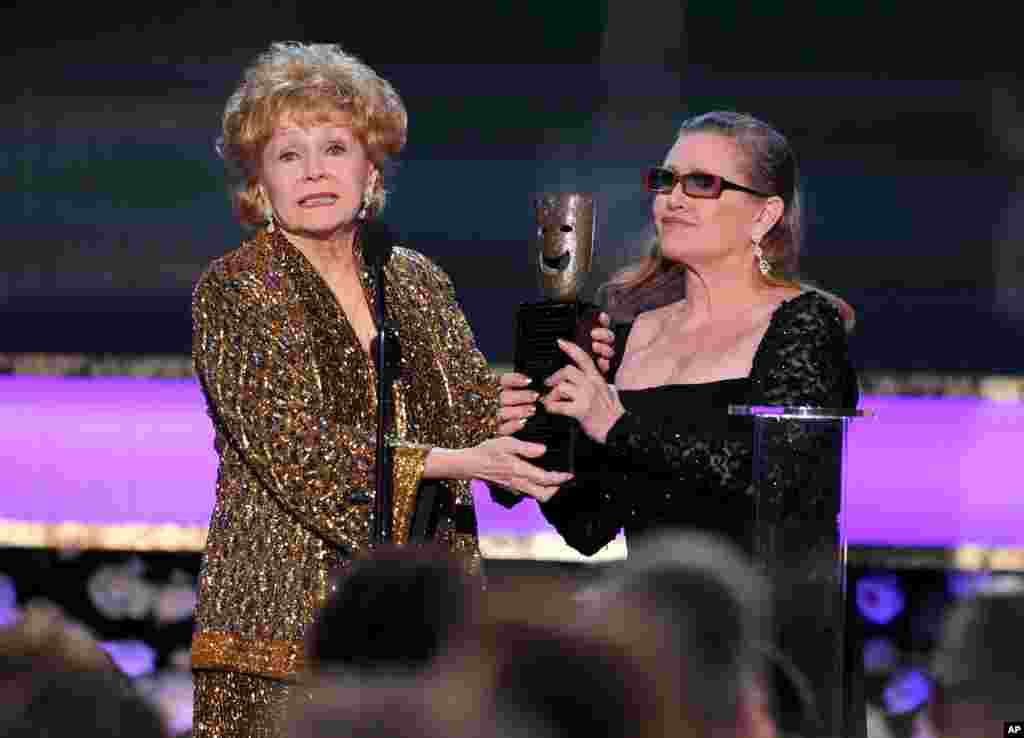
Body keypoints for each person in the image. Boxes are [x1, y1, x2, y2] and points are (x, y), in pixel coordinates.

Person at [190, 41, 614, 737]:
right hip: (282, 629)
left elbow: (478, 415)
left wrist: (567, 365)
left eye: (335, 148)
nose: (315, 171)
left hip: (429, 621)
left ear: (372, 167)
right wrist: (456, 462)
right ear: (259, 183)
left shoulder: (413, 278)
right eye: (289, 154)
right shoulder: (237, 289)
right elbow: (296, 451)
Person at [496, 110, 859, 556]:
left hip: (761, 617)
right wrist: (532, 438)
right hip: (654, 616)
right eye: (667, 180)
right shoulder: (633, 336)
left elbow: (779, 485)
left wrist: (617, 426)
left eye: (702, 184)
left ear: (764, 215)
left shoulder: (803, 324)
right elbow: (589, 525)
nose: (674, 200)